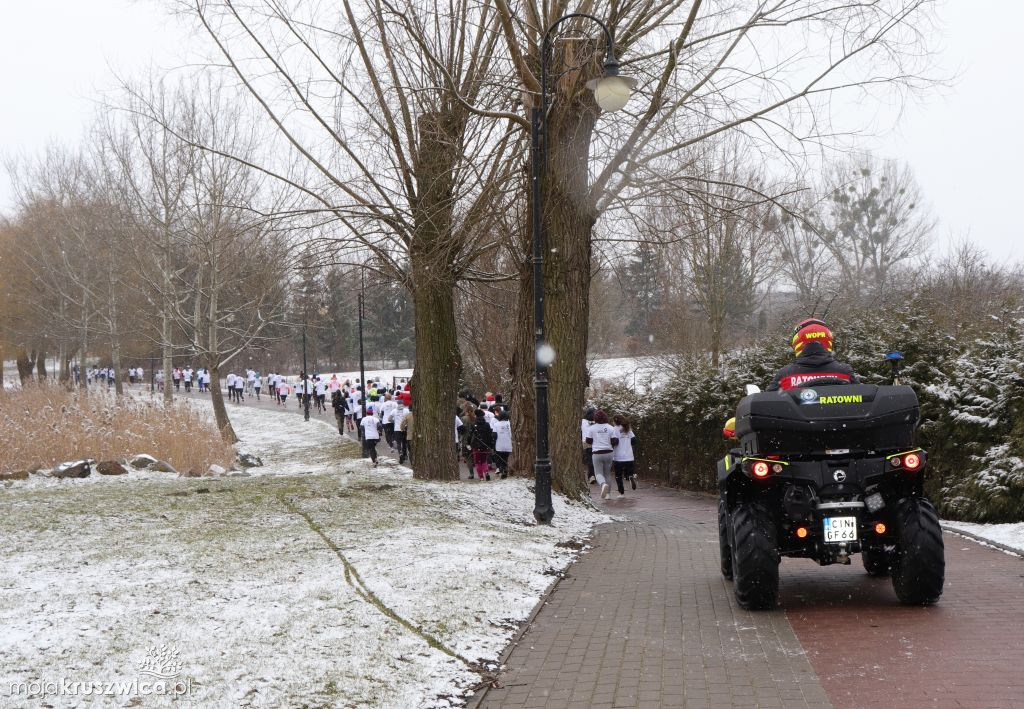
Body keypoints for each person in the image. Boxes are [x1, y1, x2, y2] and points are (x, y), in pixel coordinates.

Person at [767, 318, 860, 391]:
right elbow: (863, 400)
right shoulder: (844, 372)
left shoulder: (785, 375)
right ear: (828, 341)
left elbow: (767, 405)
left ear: (797, 342)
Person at [586, 410, 619, 500]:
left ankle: (603, 484)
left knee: (598, 473)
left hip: (597, 453)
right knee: (607, 473)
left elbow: (588, 441)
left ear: (595, 418)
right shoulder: (610, 428)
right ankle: (608, 495)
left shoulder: (592, 428)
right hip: (609, 452)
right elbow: (615, 441)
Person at [612, 414, 637, 497]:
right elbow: (634, 441)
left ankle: (621, 493)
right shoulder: (628, 429)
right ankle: (630, 476)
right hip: (629, 456)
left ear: (615, 421)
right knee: (629, 471)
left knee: (618, 476)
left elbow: (614, 442)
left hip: (618, 457)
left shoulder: (614, 429)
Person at [469, 409, 495, 481]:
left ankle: (481, 477)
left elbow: (470, 435)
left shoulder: (474, 425)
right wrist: (490, 445)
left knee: (478, 462)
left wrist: (468, 444)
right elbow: (490, 435)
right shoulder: (487, 424)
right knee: (484, 461)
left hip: (476, 446)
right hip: (485, 445)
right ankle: (486, 472)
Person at [493, 409, 512, 479]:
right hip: (508, 444)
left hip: (499, 444)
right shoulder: (509, 424)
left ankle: (502, 469)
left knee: (499, 458)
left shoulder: (496, 424)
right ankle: (505, 469)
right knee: (505, 458)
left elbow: (494, 436)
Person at [582, 408, 596, 485]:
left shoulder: (583, 422)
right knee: (595, 460)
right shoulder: (597, 422)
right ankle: (594, 475)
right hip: (596, 442)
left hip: (587, 442)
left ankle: (591, 476)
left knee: (590, 459)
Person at [393, 399, 409, 463]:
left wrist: (394, 421)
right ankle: (404, 454)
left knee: (398, 443)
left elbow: (389, 418)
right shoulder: (406, 410)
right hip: (404, 428)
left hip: (397, 429)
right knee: (404, 442)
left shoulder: (394, 411)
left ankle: (400, 453)